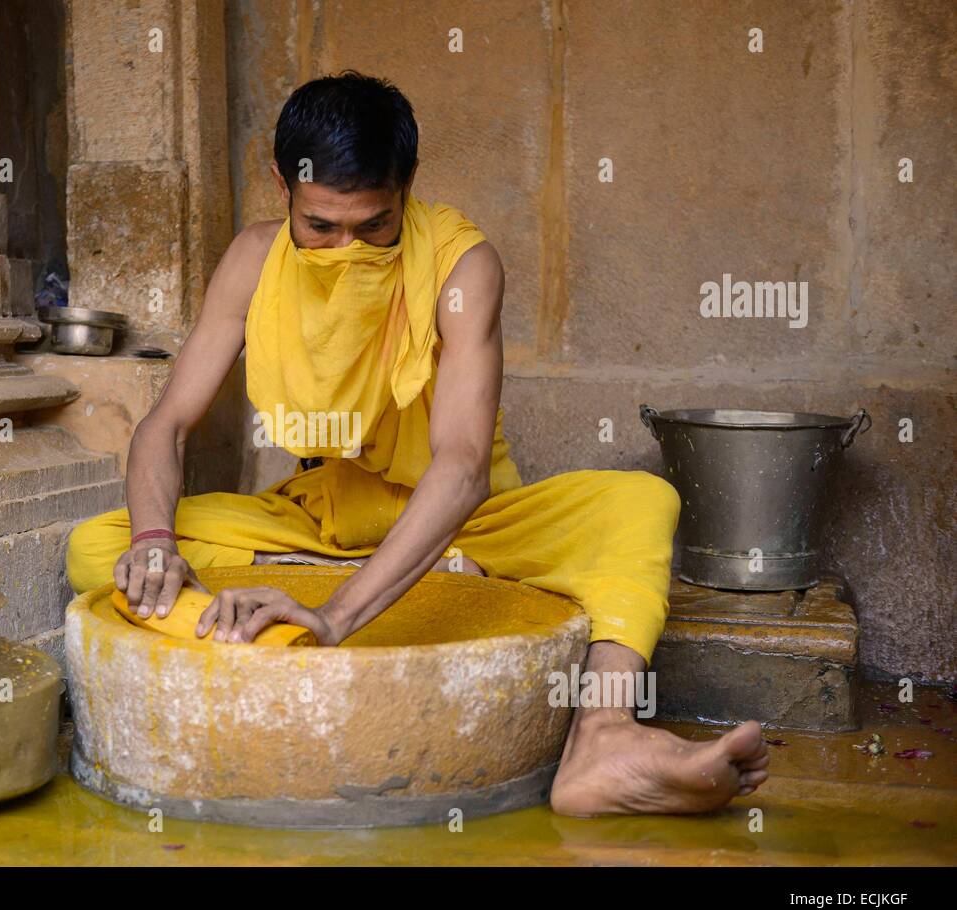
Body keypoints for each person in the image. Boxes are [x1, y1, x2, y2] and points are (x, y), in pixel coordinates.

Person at [66, 72, 769, 815]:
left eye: (374, 226)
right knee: (99, 544)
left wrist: (333, 615)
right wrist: (151, 539)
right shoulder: (251, 262)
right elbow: (165, 425)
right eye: (321, 227)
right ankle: (361, 582)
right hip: (323, 524)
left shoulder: (464, 268)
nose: (348, 248)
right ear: (283, 186)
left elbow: (462, 469)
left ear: (409, 188)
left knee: (638, 504)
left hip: (468, 525)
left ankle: (602, 735)